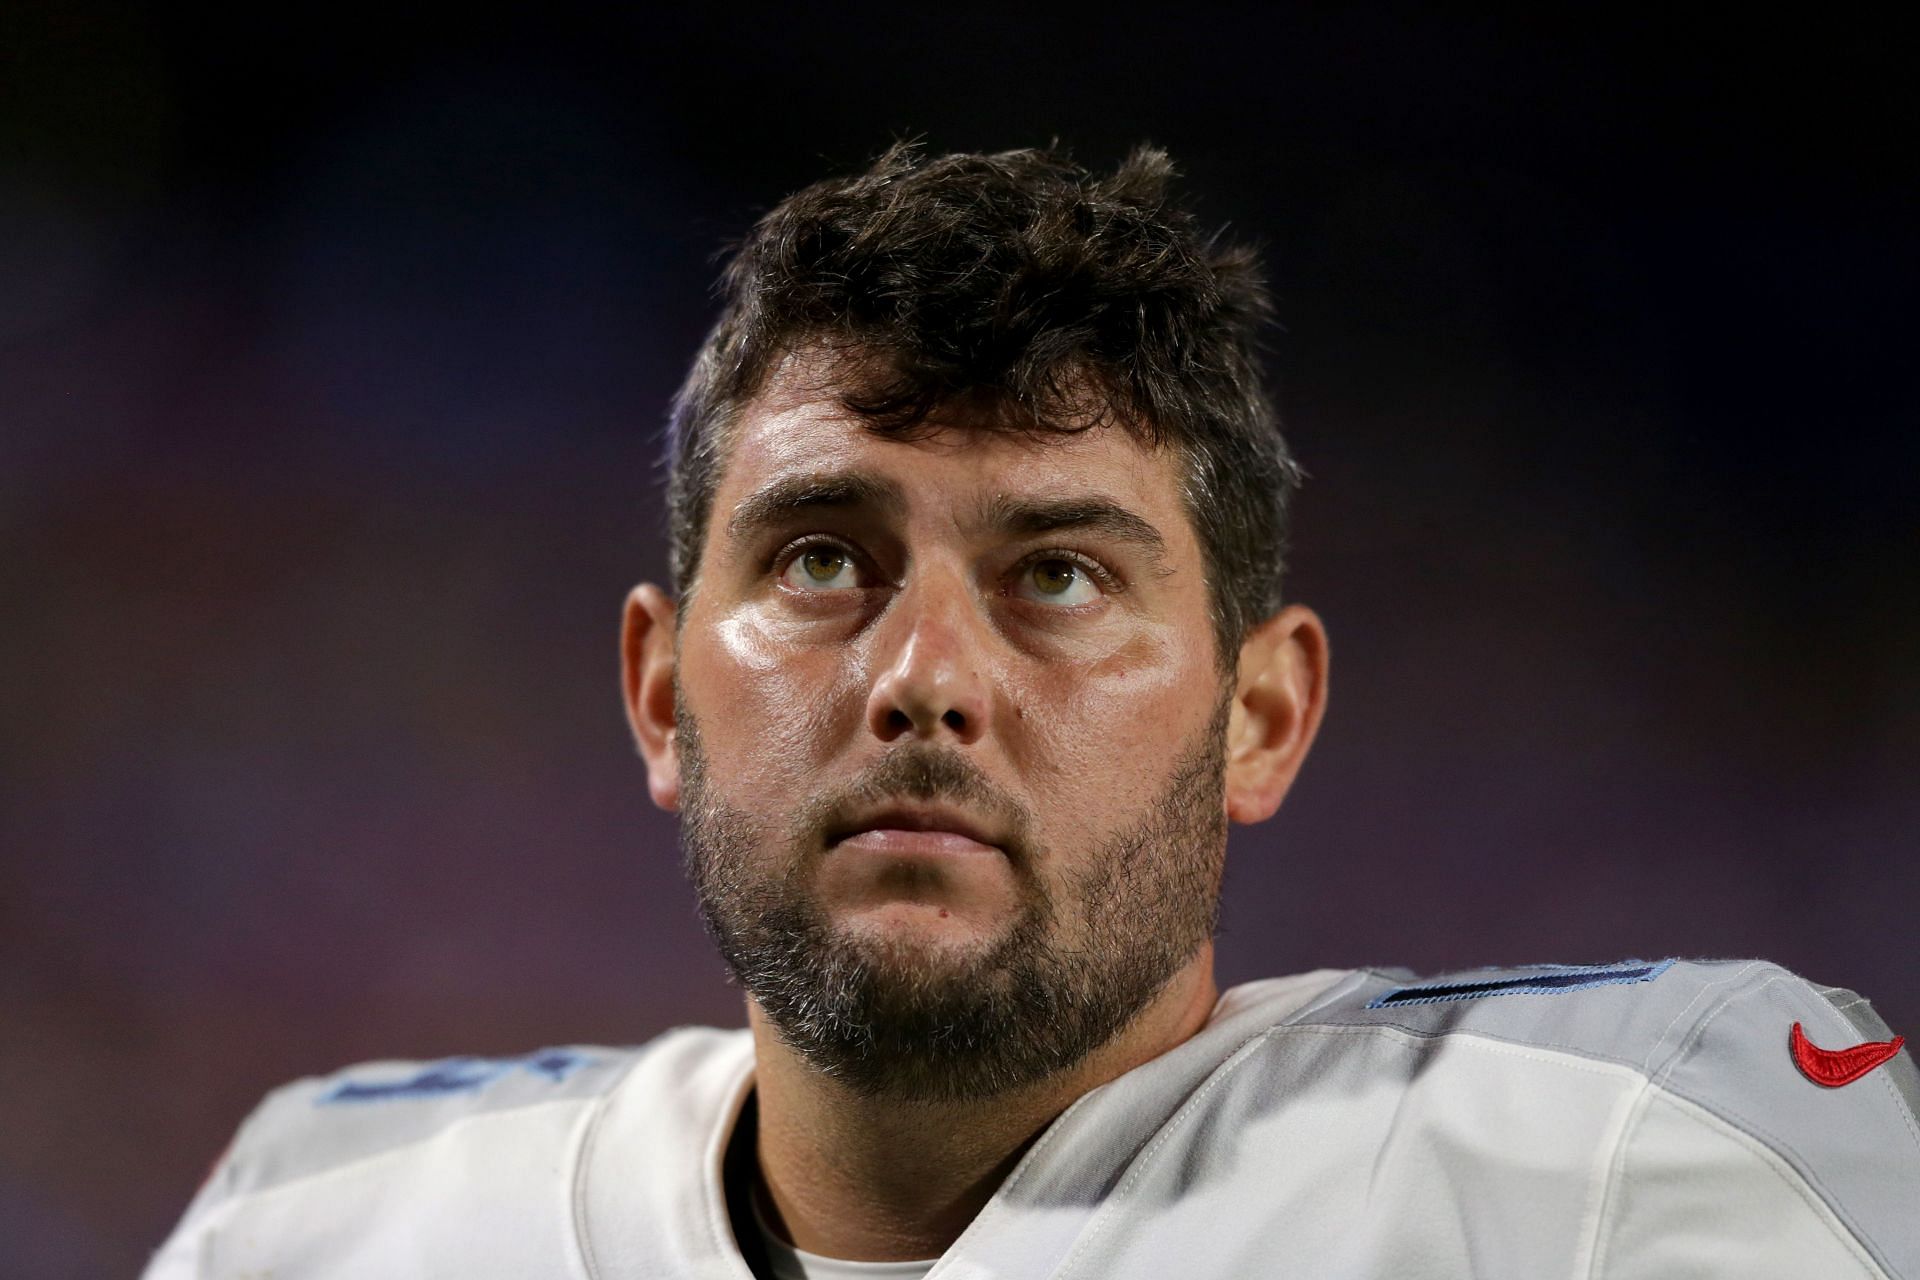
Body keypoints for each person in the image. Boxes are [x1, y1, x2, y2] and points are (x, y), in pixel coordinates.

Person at [145, 143, 1919, 1279]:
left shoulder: (1613, 1161)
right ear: (661, 691)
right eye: (825, 560)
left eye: (1060, 575)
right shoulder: (320, 1218)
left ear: (1263, 717)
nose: (925, 682)